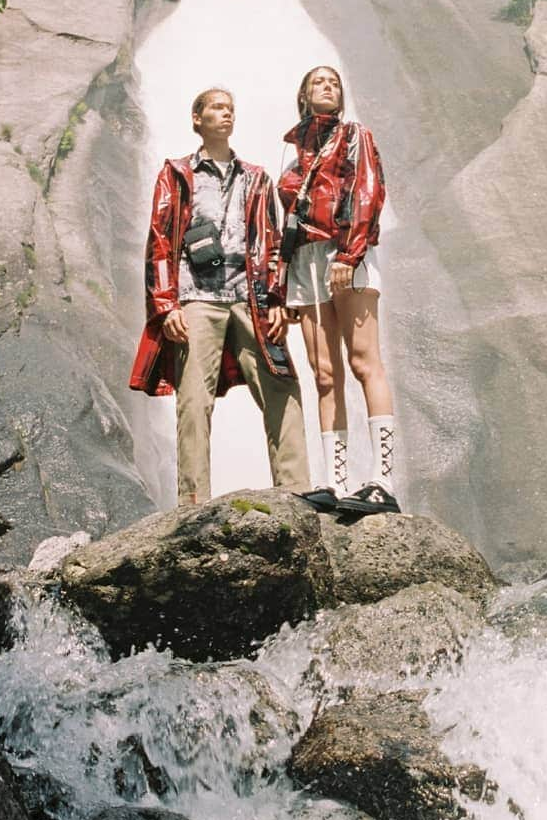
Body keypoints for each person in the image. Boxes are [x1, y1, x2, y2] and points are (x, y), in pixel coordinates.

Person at [129, 87, 310, 506]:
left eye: (230, 108)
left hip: (252, 298)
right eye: (216, 108)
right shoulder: (176, 174)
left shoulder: (257, 177)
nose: (225, 113)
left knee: (283, 386)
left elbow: (273, 240)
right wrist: (165, 305)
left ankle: (298, 493)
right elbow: (159, 241)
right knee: (193, 401)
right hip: (196, 298)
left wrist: (279, 299)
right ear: (197, 119)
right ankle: (192, 502)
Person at [278, 65, 400, 514]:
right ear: (304, 95)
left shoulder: (354, 135)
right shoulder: (292, 155)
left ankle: (383, 481)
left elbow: (369, 191)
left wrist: (350, 255)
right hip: (307, 264)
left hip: (347, 253)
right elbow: (286, 225)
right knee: (325, 375)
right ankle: (334, 481)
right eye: (317, 82)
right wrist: (281, 283)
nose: (327, 86)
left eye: (333, 82)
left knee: (364, 361)